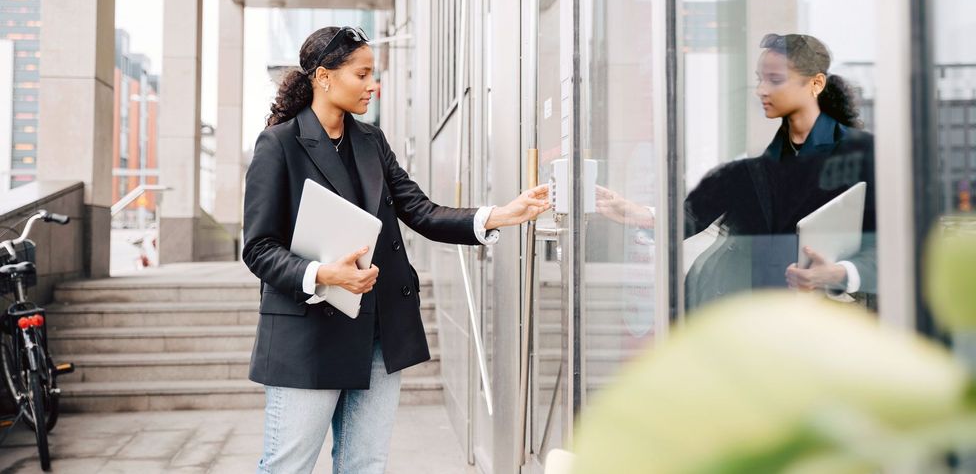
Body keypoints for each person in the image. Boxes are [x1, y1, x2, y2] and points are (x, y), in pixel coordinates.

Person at [242, 26, 550, 473]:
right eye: (363, 74)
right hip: (307, 334)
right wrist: (325, 274)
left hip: (379, 330)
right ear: (324, 78)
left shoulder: (371, 141)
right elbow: (259, 248)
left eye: (375, 74)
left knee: (365, 464)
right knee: (288, 465)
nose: (373, 85)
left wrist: (500, 215)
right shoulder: (279, 144)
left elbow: (421, 211)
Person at [595, 33, 876, 310]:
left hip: (816, 321)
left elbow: (888, 243)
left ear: (815, 84)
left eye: (775, 80)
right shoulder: (762, 162)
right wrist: (640, 214)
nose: (761, 90)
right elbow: (695, 215)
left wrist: (842, 274)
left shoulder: (862, 155)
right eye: (760, 79)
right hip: (742, 309)